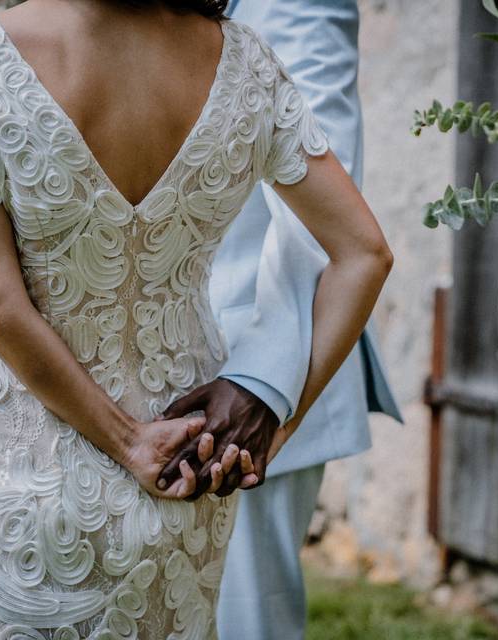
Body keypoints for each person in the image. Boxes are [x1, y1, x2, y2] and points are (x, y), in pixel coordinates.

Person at [0, 0, 392, 636]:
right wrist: (278, 424)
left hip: (37, 467)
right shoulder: (243, 60)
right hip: (191, 458)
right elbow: (364, 253)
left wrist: (127, 441)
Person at [153, 1, 402, 638]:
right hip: (155, 370)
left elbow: (327, 210)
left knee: (243, 625)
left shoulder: (295, 4)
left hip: (249, 382)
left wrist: (260, 384)